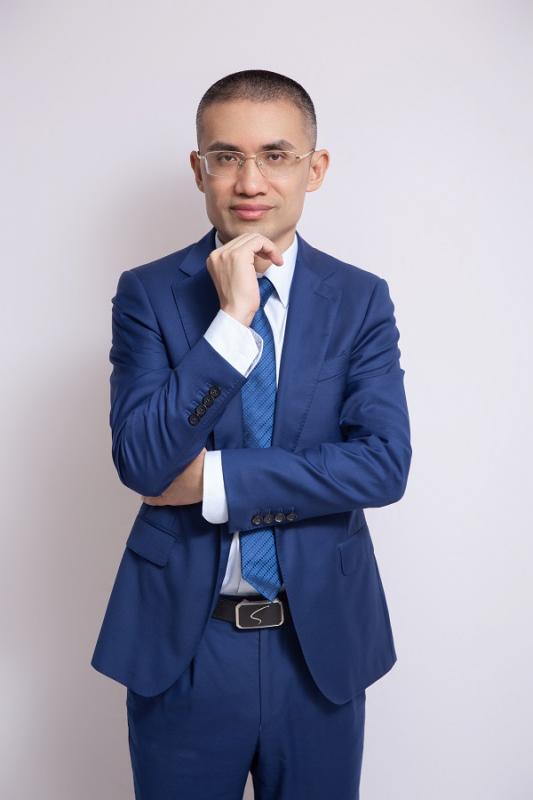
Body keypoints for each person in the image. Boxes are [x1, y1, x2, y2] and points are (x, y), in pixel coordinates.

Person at [91, 68, 412, 800]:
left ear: (314, 168)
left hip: (319, 644)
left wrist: (213, 480)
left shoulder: (359, 298)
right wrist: (232, 321)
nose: (249, 180)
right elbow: (143, 460)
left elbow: (382, 465)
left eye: (275, 155)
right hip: (184, 644)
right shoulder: (149, 293)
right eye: (226, 156)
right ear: (198, 168)